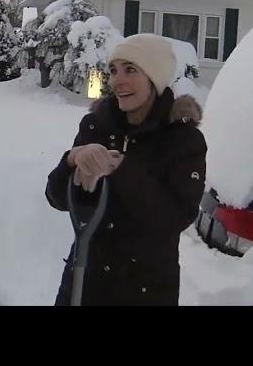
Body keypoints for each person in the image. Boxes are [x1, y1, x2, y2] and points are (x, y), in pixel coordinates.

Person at [45, 34, 207, 305]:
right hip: (85, 284)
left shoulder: (182, 140)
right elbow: (58, 198)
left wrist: (121, 170)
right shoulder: (97, 125)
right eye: (113, 70)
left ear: (154, 78)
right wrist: (72, 162)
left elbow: (176, 217)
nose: (117, 81)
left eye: (130, 70)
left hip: (143, 290)